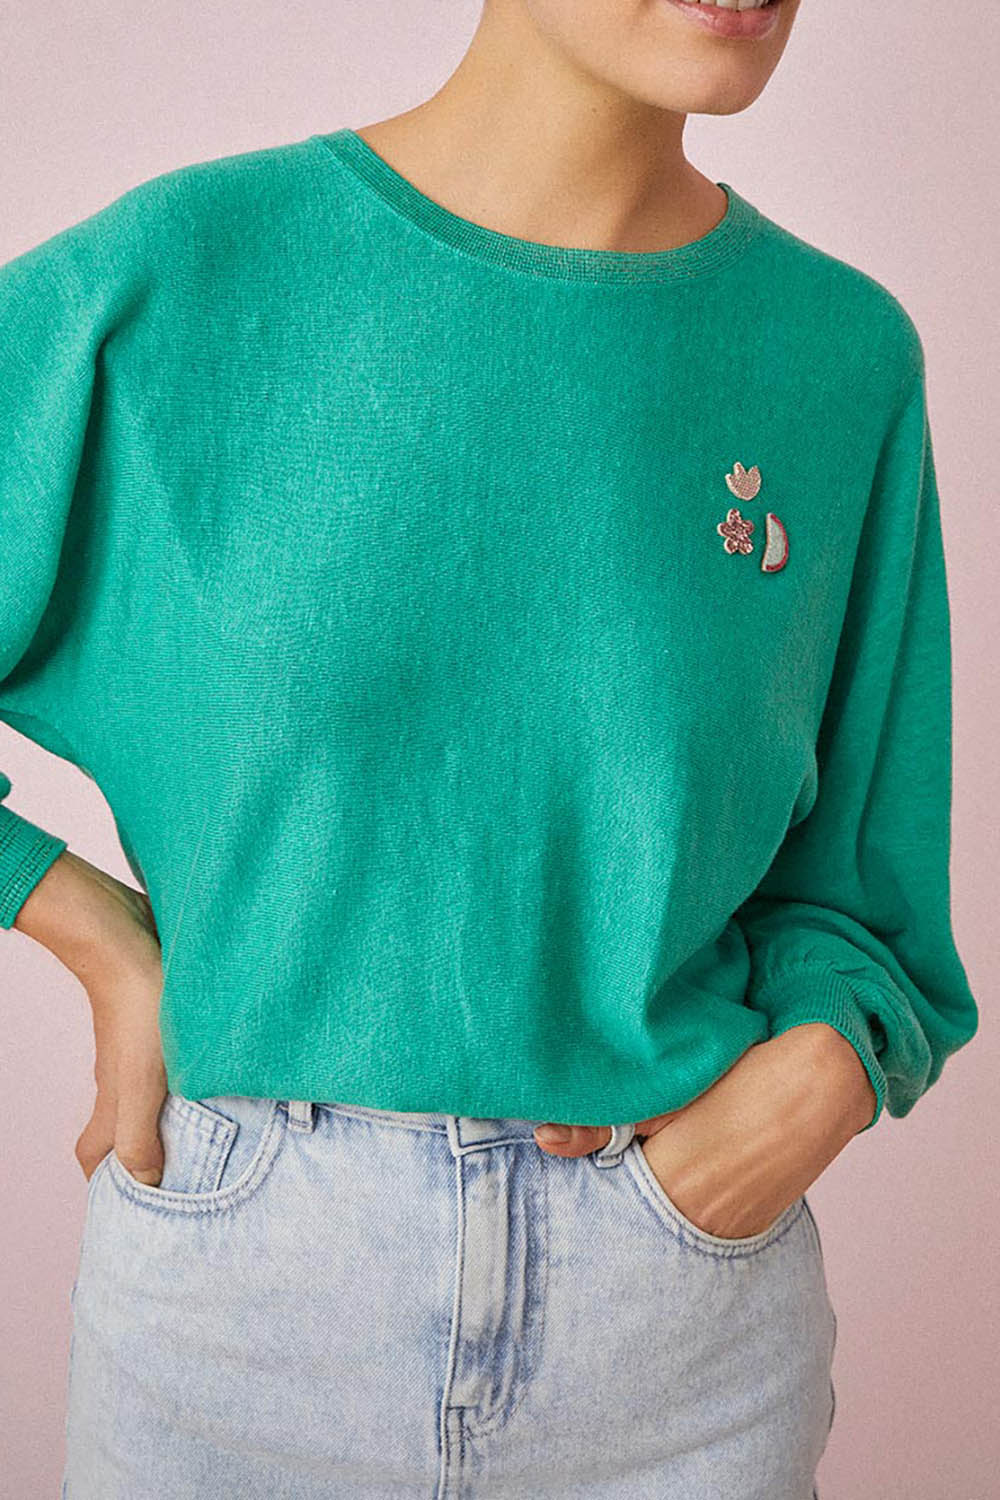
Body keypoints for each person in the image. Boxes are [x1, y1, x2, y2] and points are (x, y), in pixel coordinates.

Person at [1, 0, 979, 1496]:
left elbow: (866, 891)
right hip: (245, 1316)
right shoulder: (181, 279)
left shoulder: (838, 357)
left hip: (682, 1338)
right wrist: (95, 935)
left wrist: (816, 1084)